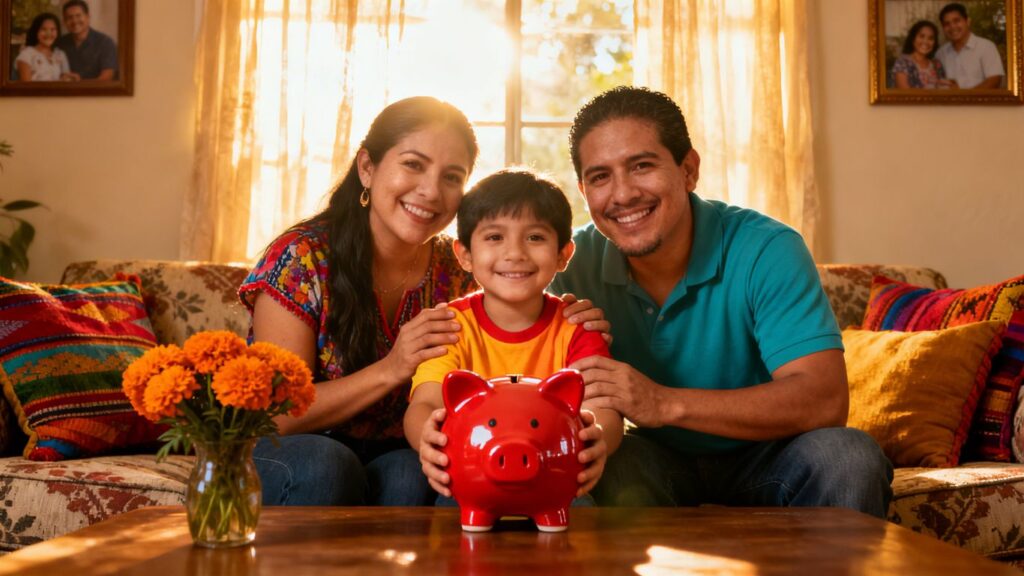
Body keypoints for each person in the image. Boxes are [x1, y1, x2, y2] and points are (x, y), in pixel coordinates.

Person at [239, 97, 608, 506]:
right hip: (297, 446)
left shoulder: (459, 266)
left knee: (414, 474)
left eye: (452, 177)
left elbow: (522, 293)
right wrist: (391, 369)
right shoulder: (301, 258)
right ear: (367, 167)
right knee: (326, 464)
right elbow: (275, 413)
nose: (431, 191)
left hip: (401, 445)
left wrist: (572, 315)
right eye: (413, 165)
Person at [551, 86, 893, 518]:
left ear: (689, 170)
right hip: (650, 461)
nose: (622, 195)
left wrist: (661, 402)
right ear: (583, 191)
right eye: (600, 177)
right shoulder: (568, 265)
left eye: (641, 166)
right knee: (585, 464)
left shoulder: (767, 248)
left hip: (771, 455)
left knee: (848, 456)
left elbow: (824, 400)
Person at [405, 168, 623, 506]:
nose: (515, 253)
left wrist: (599, 442)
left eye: (535, 237)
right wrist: (428, 440)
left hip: (553, 472)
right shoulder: (450, 326)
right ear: (465, 254)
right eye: (494, 237)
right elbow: (426, 403)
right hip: (472, 469)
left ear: (564, 254)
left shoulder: (577, 328)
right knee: (450, 500)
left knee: (581, 505)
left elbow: (604, 410)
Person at [935, 3, 1004, 89]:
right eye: (947, 24)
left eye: (956, 21)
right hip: (949, 102)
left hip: (981, 102)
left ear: (968, 21)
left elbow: (994, 80)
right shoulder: (941, 53)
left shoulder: (986, 47)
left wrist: (964, 97)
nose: (952, 26)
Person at [54, 0, 118, 81]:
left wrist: (81, 82)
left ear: (88, 17)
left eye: (78, 16)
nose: (74, 21)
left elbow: (107, 77)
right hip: (64, 92)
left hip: (95, 92)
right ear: (64, 22)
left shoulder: (105, 43)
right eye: (69, 17)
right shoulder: (60, 43)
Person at [890, 20, 950, 89]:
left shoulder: (937, 65)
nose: (926, 41)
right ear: (913, 38)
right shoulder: (903, 62)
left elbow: (944, 92)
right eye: (921, 36)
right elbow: (904, 94)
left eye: (931, 38)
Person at [15, 13, 73, 82]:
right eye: (43, 29)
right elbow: (26, 88)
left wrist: (71, 77)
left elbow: (67, 81)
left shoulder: (60, 54)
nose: (49, 33)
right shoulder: (26, 55)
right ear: (36, 31)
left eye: (53, 29)